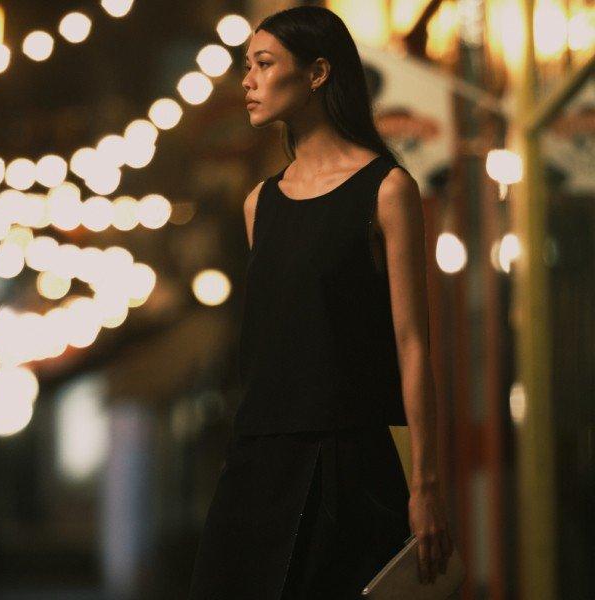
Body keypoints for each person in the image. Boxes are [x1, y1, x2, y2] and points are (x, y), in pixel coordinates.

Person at [187, 6, 455, 599]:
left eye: (263, 64)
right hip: (258, 462)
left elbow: (413, 345)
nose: (247, 81)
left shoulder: (387, 190)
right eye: (245, 66)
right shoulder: (261, 203)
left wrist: (426, 485)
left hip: (348, 466)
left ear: (317, 74)